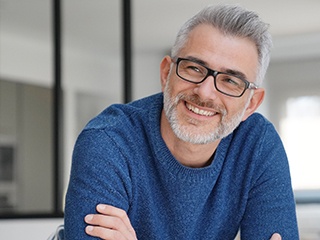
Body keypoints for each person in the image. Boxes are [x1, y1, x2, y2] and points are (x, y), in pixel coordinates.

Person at [64, 4, 299, 240]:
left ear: (251, 104)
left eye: (230, 81)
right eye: (195, 68)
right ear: (167, 73)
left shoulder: (258, 145)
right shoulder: (108, 141)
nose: (205, 93)